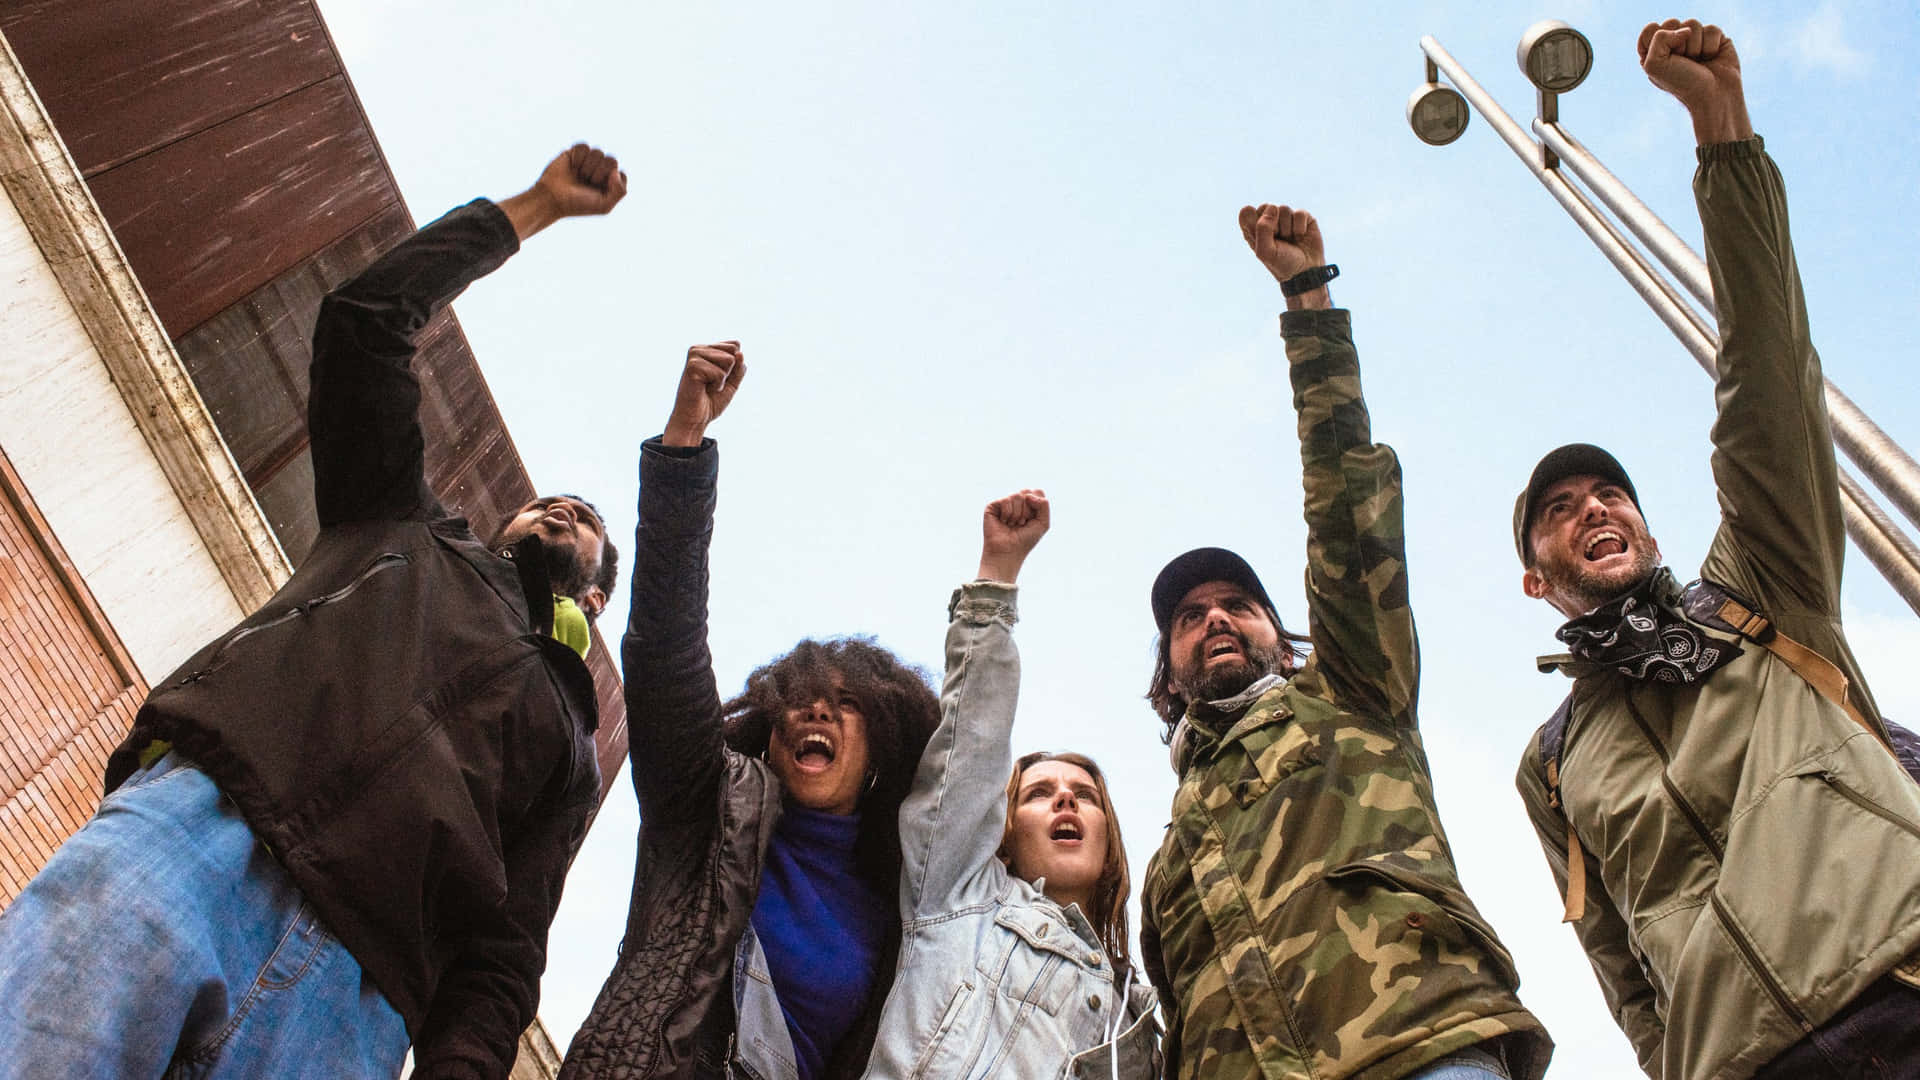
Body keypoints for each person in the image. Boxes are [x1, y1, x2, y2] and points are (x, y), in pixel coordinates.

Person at [0, 144, 627, 1079]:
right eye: (550, 500)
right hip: (195, 841)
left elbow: (503, 954)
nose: (564, 508)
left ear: (599, 596)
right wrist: (531, 207)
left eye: (586, 521)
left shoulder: (571, 750)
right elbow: (365, 323)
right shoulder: (400, 523)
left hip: (352, 1009)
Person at [1511, 19, 1920, 1080]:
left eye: (1610, 492)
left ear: (1645, 524)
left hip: (1902, 981)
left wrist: (1722, 138)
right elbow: (1619, 964)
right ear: (1535, 575)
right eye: (1560, 508)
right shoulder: (1552, 764)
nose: (1593, 507)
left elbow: (1768, 385)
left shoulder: (1757, 590)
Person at [1136, 205, 1552, 1080]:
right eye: (1188, 617)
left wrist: (1308, 311)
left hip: (1422, 1054)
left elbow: (1347, 516)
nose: (1213, 618)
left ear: (1278, 638)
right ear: (1166, 677)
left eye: (1236, 605)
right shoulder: (1168, 861)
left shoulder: (1350, 689)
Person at [561, 342, 942, 1079]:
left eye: (845, 705)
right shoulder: (705, 806)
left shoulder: (899, 902)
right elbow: (667, 649)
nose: (816, 715)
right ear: (768, 734)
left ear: (883, 749)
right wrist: (683, 450)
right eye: (797, 702)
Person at [862, 490, 1160, 1080]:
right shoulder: (959, 893)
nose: (1066, 799)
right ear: (1003, 829)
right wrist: (998, 576)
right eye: (1038, 792)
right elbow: (971, 744)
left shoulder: (1144, 1018)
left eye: (1086, 796)